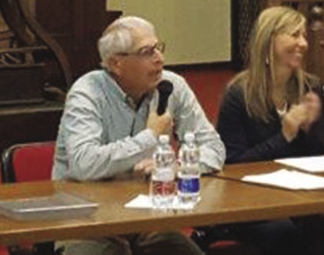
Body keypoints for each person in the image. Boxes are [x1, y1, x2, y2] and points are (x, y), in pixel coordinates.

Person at [53, 16, 225, 255]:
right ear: (116, 64)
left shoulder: (172, 86)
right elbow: (84, 163)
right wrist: (150, 135)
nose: (159, 58)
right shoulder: (87, 93)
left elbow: (214, 149)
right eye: (146, 52)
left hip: (146, 217)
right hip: (86, 218)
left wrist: (177, 166)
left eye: (158, 48)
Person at [215, 7, 324, 255]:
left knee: (320, 220)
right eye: (293, 35)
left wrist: (309, 128)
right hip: (249, 202)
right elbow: (232, 165)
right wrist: (285, 136)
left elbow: (322, 156)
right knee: (282, 231)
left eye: (303, 35)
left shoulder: (310, 87)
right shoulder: (239, 94)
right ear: (268, 41)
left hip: (295, 194)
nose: (302, 43)